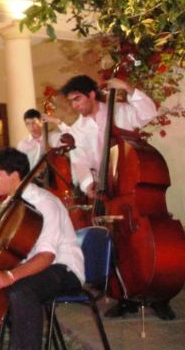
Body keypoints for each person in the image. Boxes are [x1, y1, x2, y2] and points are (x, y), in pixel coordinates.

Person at [52, 75, 166, 319]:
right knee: (113, 240)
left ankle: (157, 291)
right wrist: (88, 184)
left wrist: (128, 88)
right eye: (72, 101)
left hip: (129, 183)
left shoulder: (119, 112)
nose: (75, 105)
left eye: (78, 99)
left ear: (92, 95)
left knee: (143, 239)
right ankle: (123, 294)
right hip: (107, 190)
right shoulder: (78, 129)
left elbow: (148, 112)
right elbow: (80, 161)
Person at [0, 148, 84, 350]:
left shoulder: (44, 203)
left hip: (62, 268)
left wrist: (11, 276)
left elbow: (47, 256)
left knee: (20, 291)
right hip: (26, 269)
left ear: (13, 175)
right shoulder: (7, 205)